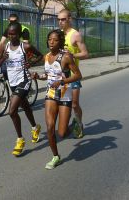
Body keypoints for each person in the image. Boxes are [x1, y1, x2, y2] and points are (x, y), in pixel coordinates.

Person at [32, 29, 82, 169]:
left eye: (54, 40)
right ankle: (55, 157)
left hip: (65, 95)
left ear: (60, 42)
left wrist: (62, 82)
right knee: (50, 127)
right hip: (51, 94)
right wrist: (38, 76)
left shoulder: (66, 57)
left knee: (62, 133)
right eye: (49, 39)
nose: (51, 42)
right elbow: (48, 75)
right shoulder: (47, 57)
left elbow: (78, 75)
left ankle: (74, 124)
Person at [0, 21, 43, 156]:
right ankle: (35, 127)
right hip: (13, 82)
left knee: (12, 111)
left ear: (19, 34)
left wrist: (30, 63)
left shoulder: (25, 46)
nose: (11, 37)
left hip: (24, 80)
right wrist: (3, 58)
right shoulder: (6, 47)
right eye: (9, 34)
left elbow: (41, 56)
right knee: (26, 106)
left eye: (13, 34)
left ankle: (20, 140)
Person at [57, 9, 89, 139]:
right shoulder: (58, 34)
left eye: (63, 19)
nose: (60, 22)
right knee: (63, 103)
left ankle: (79, 123)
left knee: (75, 104)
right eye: (58, 19)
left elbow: (85, 54)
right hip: (61, 75)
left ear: (69, 19)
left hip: (73, 75)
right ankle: (65, 125)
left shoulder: (75, 35)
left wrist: (71, 55)